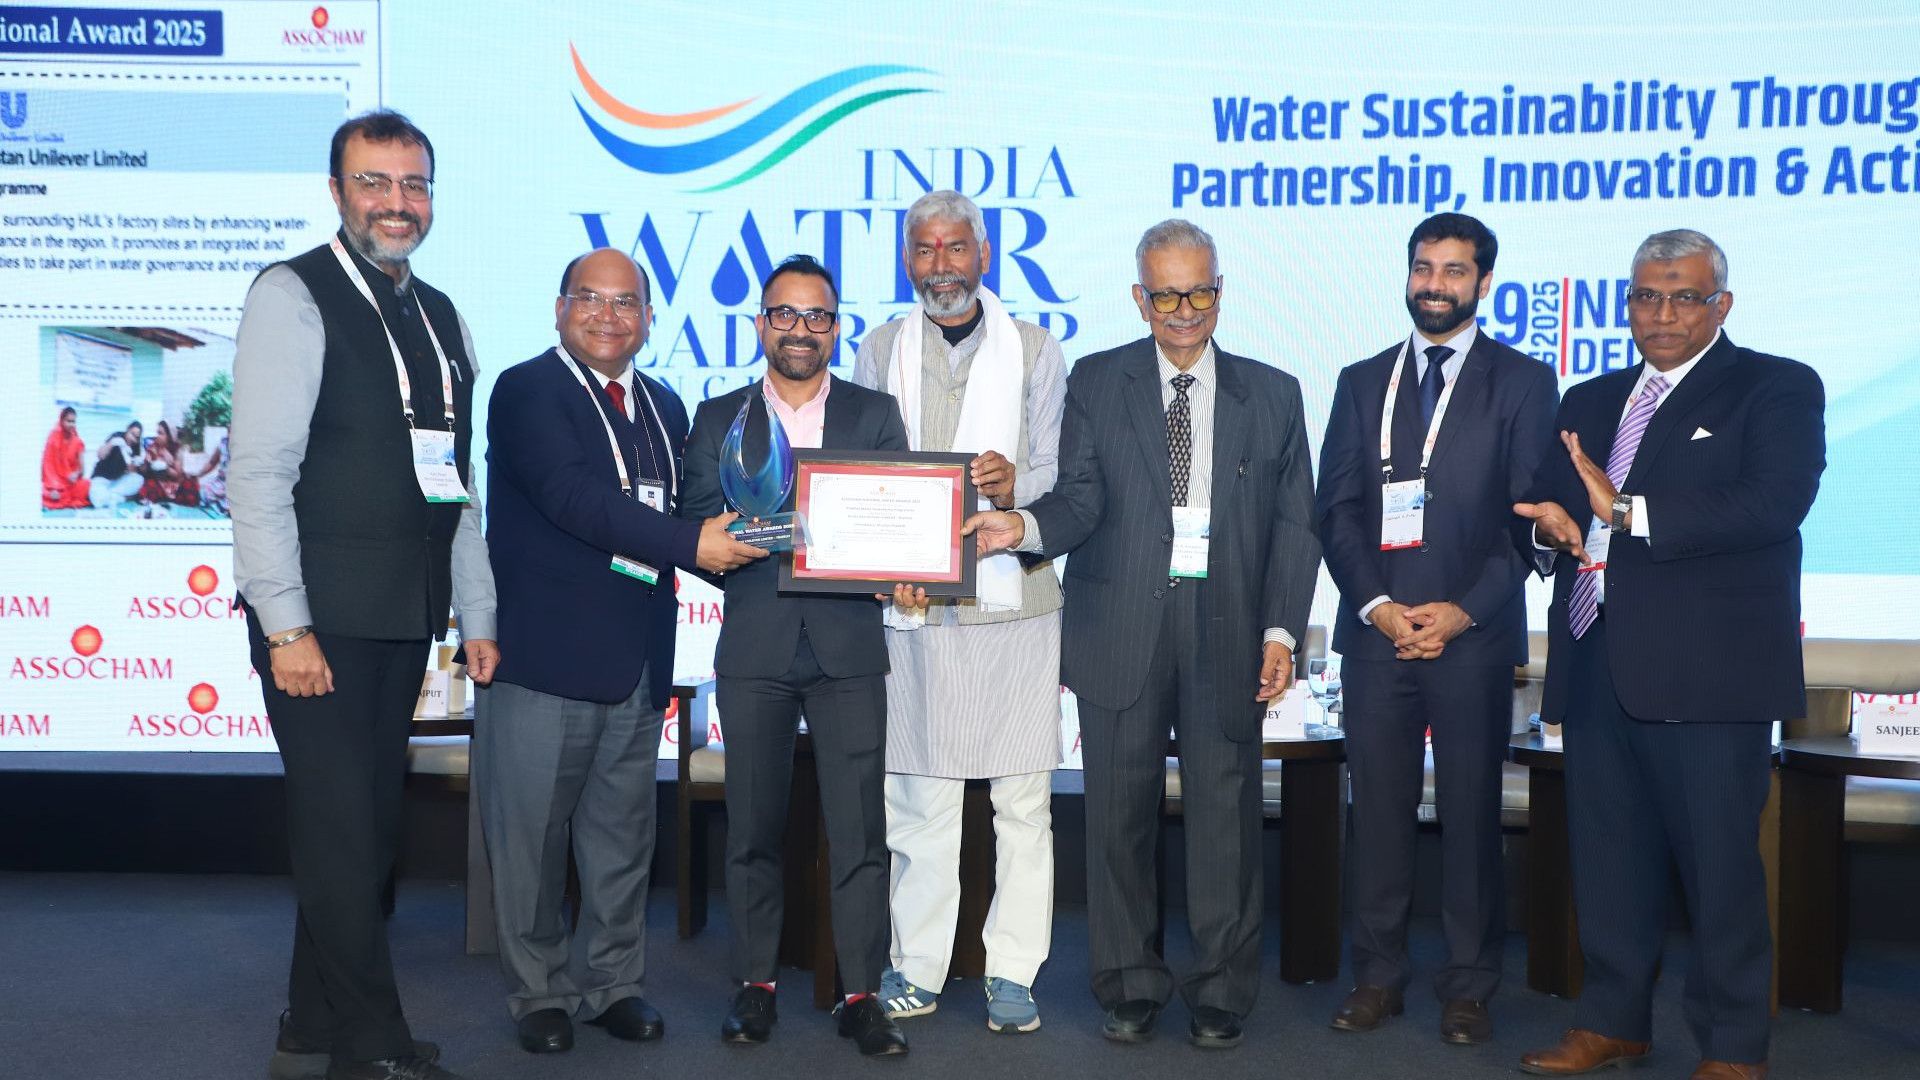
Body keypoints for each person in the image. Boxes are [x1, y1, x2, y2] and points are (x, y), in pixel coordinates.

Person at [967, 220, 1319, 1049]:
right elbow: (1082, 498)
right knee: (1117, 818)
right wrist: (1020, 526)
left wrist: (1280, 631)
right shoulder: (1097, 381)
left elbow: (1294, 525)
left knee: (1224, 820)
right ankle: (1129, 984)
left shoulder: (1273, 393)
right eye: (1167, 295)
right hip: (1118, 628)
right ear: (1140, 298)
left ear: (1220, 294)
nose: (1185, 311)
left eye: (1200, 292)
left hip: (1230, 631)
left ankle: (1222, 989)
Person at [1514, 230, 1824, 1080]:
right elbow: (1547, 503)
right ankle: (1615, 1021)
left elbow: (1773, 503)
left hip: (1708, 673)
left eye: (1685, 296)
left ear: (1721, 304)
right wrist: (1548, 526)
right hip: (1595, 657)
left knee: (1719, 871)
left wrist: (1626, 512)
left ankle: (1733, 1046)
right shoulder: (1590, 395)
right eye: (1647, 296)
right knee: (1609, 863)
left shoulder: (1775, 386)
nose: (1663, 313)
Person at [230, 109, 499, 1080]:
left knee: (365, 833)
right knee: (345, 840)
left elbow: (453, 483)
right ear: (339, 191)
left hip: (400, 618)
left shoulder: (441, 316)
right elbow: (255, 475)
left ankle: (308, 1023)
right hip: (319, 624)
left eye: (413, 184)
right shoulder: (291, 296)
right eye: (375, 183)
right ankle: (370, 1046)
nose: (397, 203)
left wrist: (478, 613)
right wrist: (286, 626)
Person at [474, 248, 764, 1056]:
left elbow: (694, 505)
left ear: (647, 318)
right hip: (543, 659)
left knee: (621, 840)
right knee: (529, 840)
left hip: (637, 659)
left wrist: (784, 523)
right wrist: (692, 543)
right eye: (591, 300)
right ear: (560, 307)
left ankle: (612, 985)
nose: (609, 316)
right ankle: (538, 993)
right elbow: (575, 501)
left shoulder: (666, 405)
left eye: (627, 303)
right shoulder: (528, 389)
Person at [1314, 213, 1558, 1044]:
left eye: (1454, 271)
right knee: (1376, 815)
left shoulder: (1522, 382)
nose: (1435, 284)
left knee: (1469, 815)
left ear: (1483, 282)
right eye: (1424, 267)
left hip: (1473, 636)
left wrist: (1461, 611)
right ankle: (1377, 976)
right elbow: (1336, 512)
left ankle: (1469, 984)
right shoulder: (1360, 380)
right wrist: (1379, 608)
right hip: (1377, 637)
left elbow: (1529, 517)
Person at [680, 254, 912, 1057]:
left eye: (818, 317)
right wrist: (780, 537)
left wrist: (900, 565)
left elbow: (899, 520)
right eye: (785, 314)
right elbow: (697, 534)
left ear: (836, 327)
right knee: (752, 826)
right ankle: (754, 984)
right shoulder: (718, 418)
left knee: (859, 832)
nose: (801, 330)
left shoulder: (875, 414)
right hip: (755, 647)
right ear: (760, 326)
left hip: (849, 649)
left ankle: (861, 993)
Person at [851, 190, 1066, 1034]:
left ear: (984, 254)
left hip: (1015, 607)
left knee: (1023, 804)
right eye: (924, 249)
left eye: (955, 248)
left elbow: (1056, 469)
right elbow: (861, 474)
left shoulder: (1037, 349)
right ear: (909, 261)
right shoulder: (878, 349)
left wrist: (1017, 489)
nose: (940, 264)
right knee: (920, 801)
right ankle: (917, 964)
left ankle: (1013, 971)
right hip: (914, 609)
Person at [41, 406, 89, 509]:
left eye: (74, 422)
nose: (72, 425)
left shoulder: (78, 442)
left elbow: (82, 470)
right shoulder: (53, 438)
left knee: (85, 484)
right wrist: (54, 487)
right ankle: (59, 498)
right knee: (41, 491)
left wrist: (76, 473)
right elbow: (48, 467)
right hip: (53, 483)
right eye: (69, 421)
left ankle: (62, 499)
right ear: (61, 421)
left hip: (70, 483)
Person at [88, 420, 145, 508]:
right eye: (131, 434)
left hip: (116, 482)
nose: (132, 439)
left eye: (136, 437)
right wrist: (111, 444)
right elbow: (100, 455)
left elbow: (131, 471)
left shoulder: (136, 447)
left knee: (139, 479)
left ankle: (110, 496)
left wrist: (134, 459)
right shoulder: (117, 437)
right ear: (127, 430)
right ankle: (120, 498)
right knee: (97, 500)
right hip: (101, 479)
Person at [139, 418, 184, 504]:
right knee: (148, 486)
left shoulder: (177, 450)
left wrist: (165, 467)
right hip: (156, 480)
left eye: (161, 433)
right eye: (157, 433)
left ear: (169, 435)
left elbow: (178, 475)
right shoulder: (154, 446)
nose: (157, 436)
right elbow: (144, 470)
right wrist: (146, 462)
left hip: (172, 482)